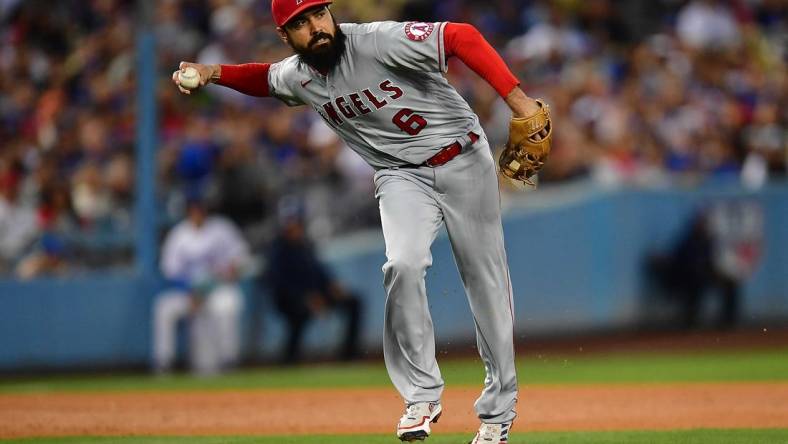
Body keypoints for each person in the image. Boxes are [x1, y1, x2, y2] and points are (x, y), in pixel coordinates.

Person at [172, 1, 550, 441]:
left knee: (486, 284)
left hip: (462, 159)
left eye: (317, 14)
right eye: (299, 24)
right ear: (285, 36)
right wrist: (212, 72)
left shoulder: (376, 40)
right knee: (402, 265)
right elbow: (264, 79)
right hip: (398, 175)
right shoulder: (300, 76)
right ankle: (422, 394)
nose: (314, 28)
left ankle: (497, 415)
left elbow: (461, 36)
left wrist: (520, 103)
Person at [152, 196, 250, 375]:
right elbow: (170, 272)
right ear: (188, 211)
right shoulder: (179, 234)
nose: (197, 213)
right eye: (193, 209)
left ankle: (229, 359)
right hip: (188, 293)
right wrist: (191, 291)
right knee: (163, 308)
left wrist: (233, 269)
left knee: (229, 305)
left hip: (216, 289)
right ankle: (163, 362)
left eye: (200, 208)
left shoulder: (222, 229)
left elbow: (241, 258)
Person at [264, 206, 361, 364]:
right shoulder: (277, 250)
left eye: (297, 223)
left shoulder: (305, 245)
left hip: (317, 295)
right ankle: (289, 360)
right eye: (290, 224)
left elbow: (318, 270)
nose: (294, 228)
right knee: (300, 315)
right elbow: (278, 282)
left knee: (354, 302)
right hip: (289, 299)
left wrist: (332, 284)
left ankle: (348, 356)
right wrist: (306, 298)